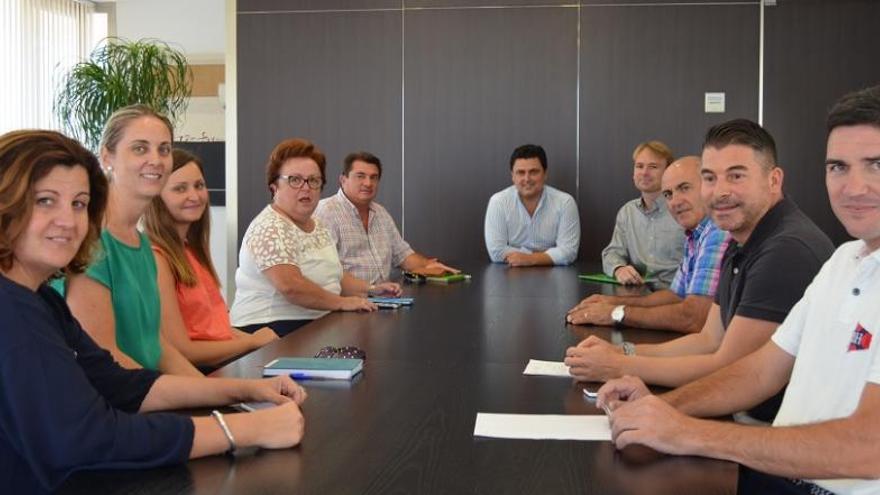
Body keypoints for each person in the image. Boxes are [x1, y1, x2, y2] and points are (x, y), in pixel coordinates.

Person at [597, 85, 880, 495]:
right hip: (781, 475)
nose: (854, 187)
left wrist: (688, 432)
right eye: (838, 166)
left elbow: (867, 449)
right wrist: (662, 408)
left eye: (876, 164)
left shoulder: (790, 247)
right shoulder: (844, 260)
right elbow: (761, 369)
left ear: (774, 180)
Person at [0, 130, 307, 493]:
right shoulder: (12, 310)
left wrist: (244, 390)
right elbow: (86, 437)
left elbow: (122, 385)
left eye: (79, 203)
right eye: (46, 201)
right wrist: (246, 430)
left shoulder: (40, 299)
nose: (67, 221)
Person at [566, 119, 834, 423]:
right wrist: (624, 354)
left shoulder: (786, 249)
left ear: (773, 180)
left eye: (735, 176)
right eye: (710, 178)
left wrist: (623, 370)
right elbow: (709, 339)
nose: (719, 192)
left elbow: (728, 366)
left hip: (773, 428)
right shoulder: (741, 236)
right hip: (744, 412)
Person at [57, 105, 201, 375]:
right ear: (107, 156)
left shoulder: (143, 245)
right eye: (140, 148)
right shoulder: (90, 239)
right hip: (112, 403)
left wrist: (217, 394)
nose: (156, 160)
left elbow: (155, 346)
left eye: (164, 149)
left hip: (147, 392)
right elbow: (105, 359)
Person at [229, 139, 400, 337]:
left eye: (313, 180)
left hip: (316, 322)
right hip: (271, 331)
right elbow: (291, 286)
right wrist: (343, 303)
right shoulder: (270, 227)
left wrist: (372, 289)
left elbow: (334, 274)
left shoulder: (316, 225)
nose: (306, 187)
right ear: (274, 186)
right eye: (294, 180)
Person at [143, 149, 278, 368]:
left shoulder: (190, 250)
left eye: (199, 186)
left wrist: (252, 339)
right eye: (180, 189)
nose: (194, 196)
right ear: (156, 196)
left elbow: (214, 330)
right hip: (199, 375)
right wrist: (251, 341)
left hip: (224, 363)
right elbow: (183, 350)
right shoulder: (156, 258)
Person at [566, 156, 730, 334]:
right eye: (668, 194)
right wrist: (611, 302)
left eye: (684, 188)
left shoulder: (718, 231)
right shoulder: (696, 233)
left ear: (709, 186)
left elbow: (695, 318)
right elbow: (675, 295)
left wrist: (615, 313)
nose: (675, 202)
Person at [314, 151, 458, 284]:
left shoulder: (380, 213)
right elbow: (324, 273)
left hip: (385, 300)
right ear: (343, 180)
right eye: (360, 176)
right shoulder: (326, 212)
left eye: (374, 177)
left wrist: (429, 265)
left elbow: (403, 255)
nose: (368, 183)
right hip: (347, 302)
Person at [601, 140, 684, 287]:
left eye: (653, 167)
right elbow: (612, 253)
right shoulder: (627, 212)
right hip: (638, 291)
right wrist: (619, 269)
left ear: (668, 172)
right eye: (639, 166)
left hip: (675, 295)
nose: (644, 173)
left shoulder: (682, 209)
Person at [484, 144, 580, 266]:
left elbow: (569, 252)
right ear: (512, 176)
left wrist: (530, 259)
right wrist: (547, 255)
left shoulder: (565, 203)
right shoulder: (498, 202)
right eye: (520, 172)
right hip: (510, 276)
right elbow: (496, 251)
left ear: (545, 174)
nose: (527, 178)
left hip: (553, 277)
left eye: (533, 172)